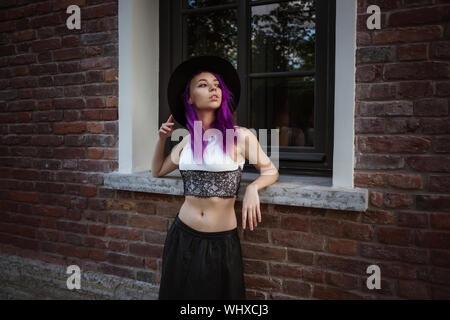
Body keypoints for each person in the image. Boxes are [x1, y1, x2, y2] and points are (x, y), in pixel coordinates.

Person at [152, 56, 279, 300]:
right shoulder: (188, 140)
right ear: (189, 98)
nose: (213, 89)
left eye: (217, 85)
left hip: (220, 242)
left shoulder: (240, 137)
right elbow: (157, 170)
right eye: (203, 84)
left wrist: (253, 188)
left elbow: (271, 170)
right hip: (182, 236)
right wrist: (161, 140)